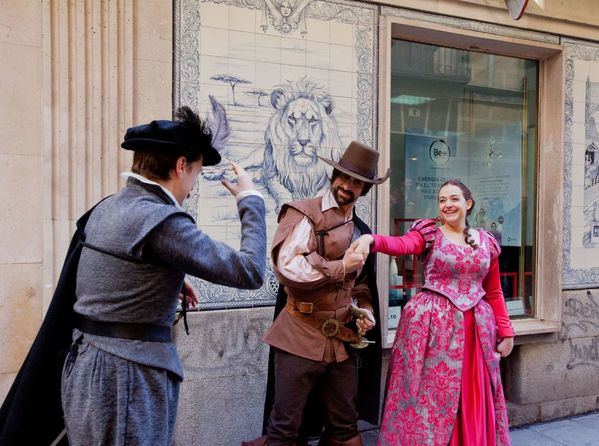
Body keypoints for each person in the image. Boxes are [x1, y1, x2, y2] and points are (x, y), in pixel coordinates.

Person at [0, 106, 267, 446]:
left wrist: (166, 276)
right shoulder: (161, 221)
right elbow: (250, 271)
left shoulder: (107, 208)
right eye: (196, 174)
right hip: (126, 377)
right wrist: (250, 200)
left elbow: (110, 271)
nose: (192, 186)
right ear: (181, 166)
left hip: (85, 368)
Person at [352, 179, 515, 445]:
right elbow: (403, 244)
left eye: (454, 199)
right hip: (434, 330)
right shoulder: (429, 234)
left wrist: (506, 331)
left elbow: (494, 291)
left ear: (468, 203)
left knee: (471, 391)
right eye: (442, 200)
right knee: (431, 396)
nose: (447, 205)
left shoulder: (486, 242)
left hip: (476, 331)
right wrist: (372, 240)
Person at [246, 141, 388, 446]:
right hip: (299, 336)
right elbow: (288, 268)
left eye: (357, 183)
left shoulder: (361, 231)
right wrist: (340, 267)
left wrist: (366, 312)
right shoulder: (303, 213)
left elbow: (361, 284)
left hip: (341, 342)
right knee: (285, 430)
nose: (348, 186)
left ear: (365, 190)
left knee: (345, 429)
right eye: (344, 177)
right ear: (334, 175)